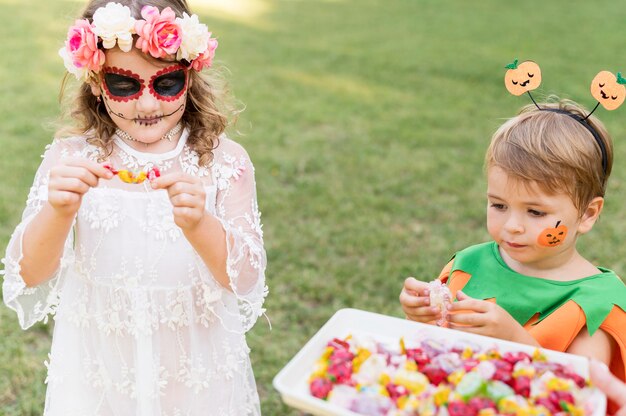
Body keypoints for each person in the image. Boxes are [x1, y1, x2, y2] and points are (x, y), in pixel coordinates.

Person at [1, 1, 267, 415]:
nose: (146, 105)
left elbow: (246, 279)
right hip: (103, 367)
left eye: (166, 83)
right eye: (124, 85)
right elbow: (27, 274)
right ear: (94, 81)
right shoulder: (71, 159)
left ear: (190, 76)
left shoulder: (223, 162)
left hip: (195, 365)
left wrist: (200, 225)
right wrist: (57, 212)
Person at [399, 99, 626, 413]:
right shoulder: (469, 265)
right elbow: (434, 351)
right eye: (499, 205)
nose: (513, 226)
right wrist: (420, 314)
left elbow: (579, 395)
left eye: (535, 211)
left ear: (587, 214)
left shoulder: (597, 303)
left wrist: (514, 338)